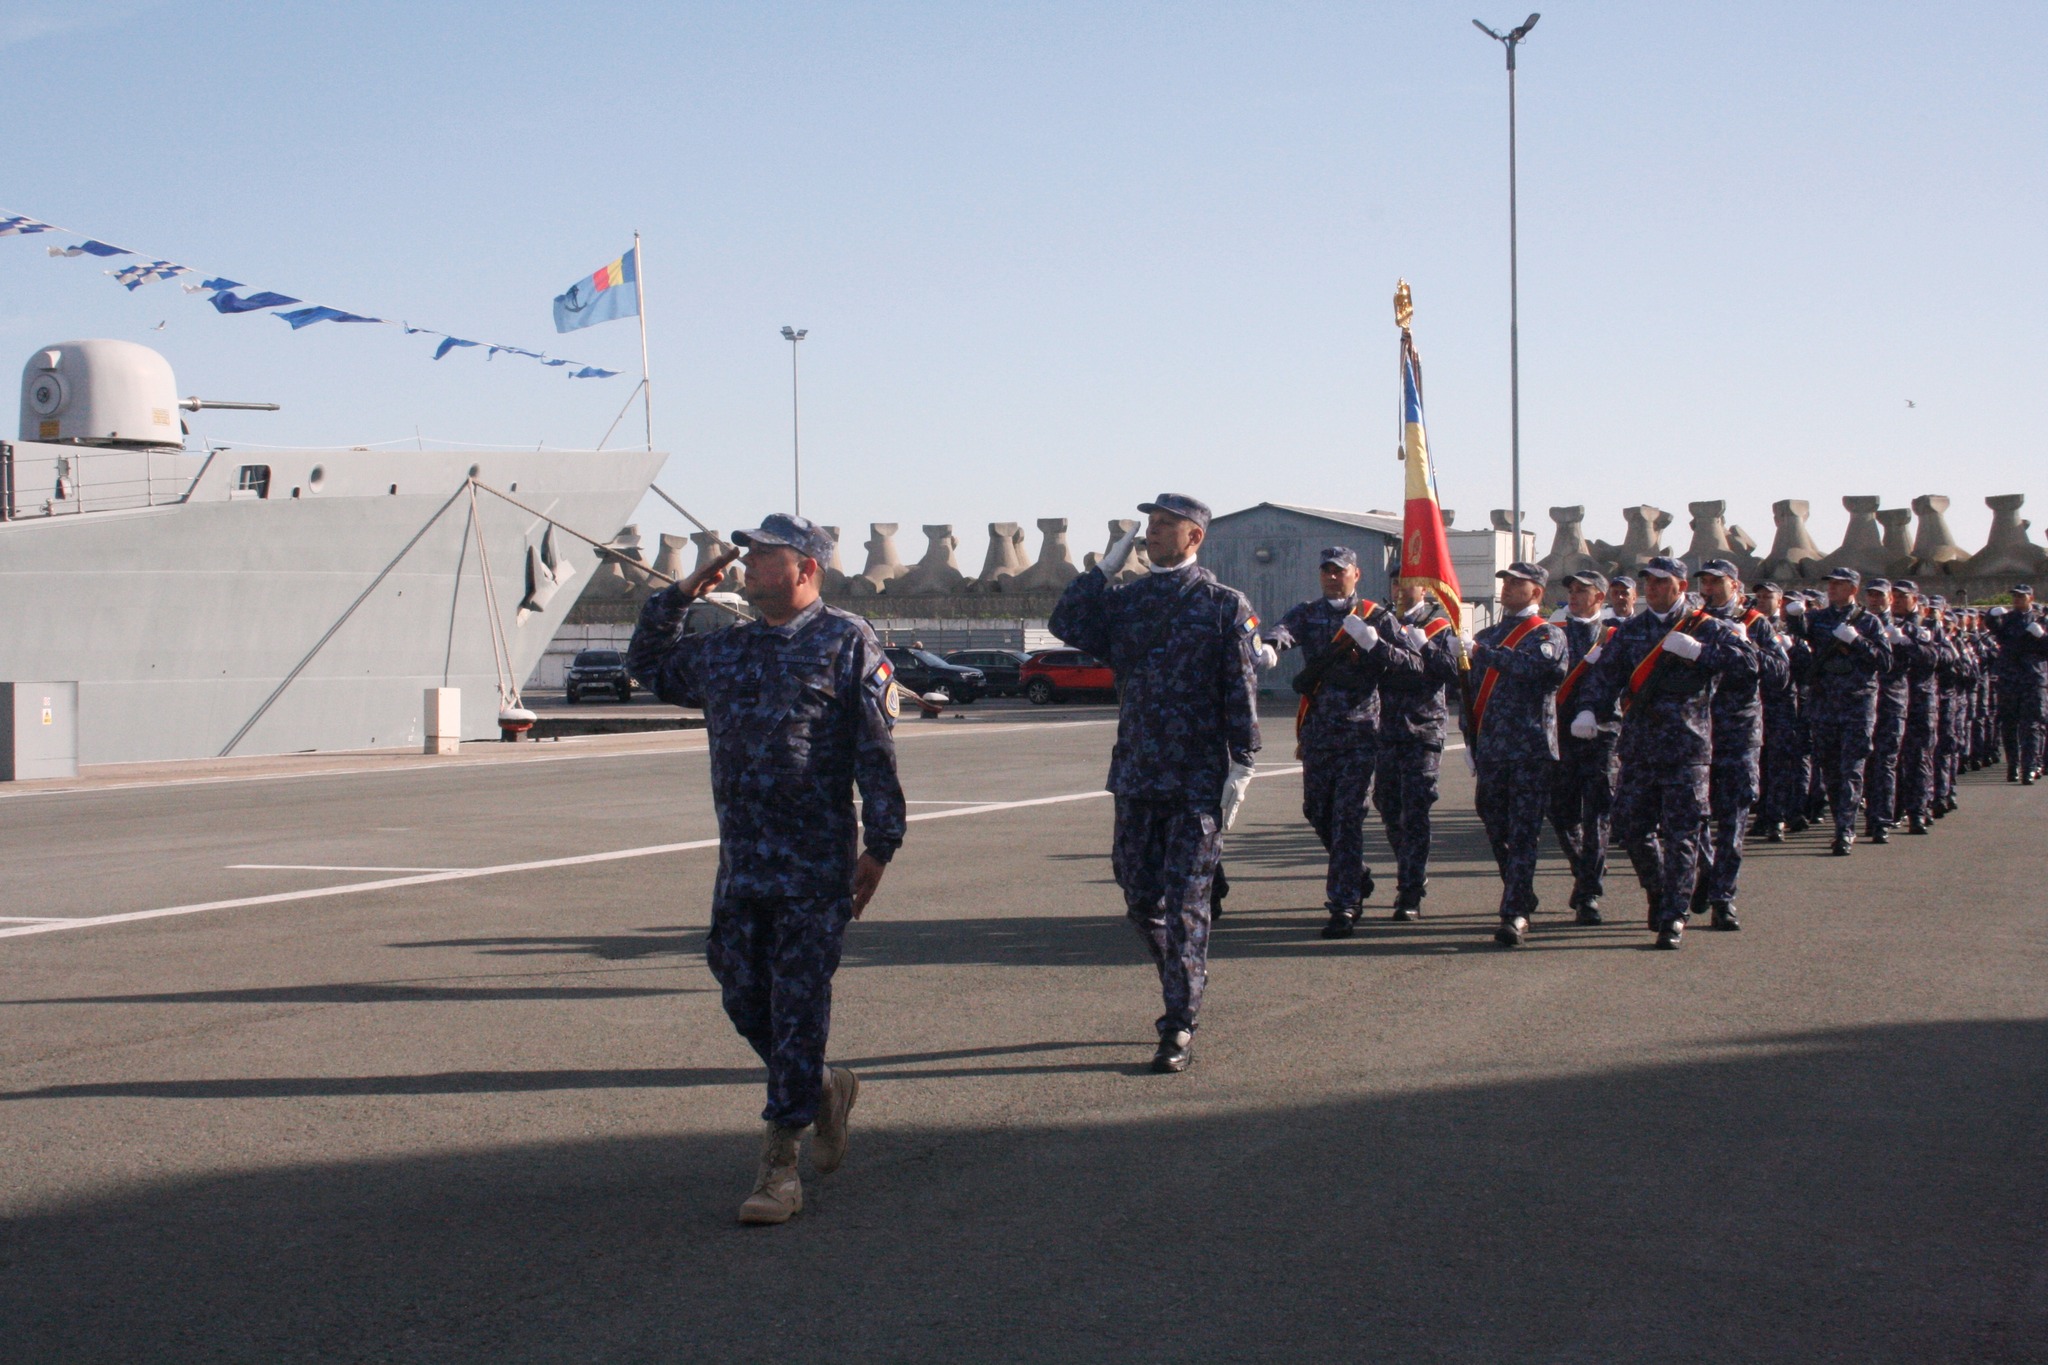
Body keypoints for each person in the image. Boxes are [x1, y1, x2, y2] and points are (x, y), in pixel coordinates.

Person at [626, 513, 906, 1226]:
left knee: (798, 1003)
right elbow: (650, 666)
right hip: (743, 860)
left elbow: (876, 747)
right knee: (741, 991)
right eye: (746, 556)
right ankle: (822, 1087)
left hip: (815, 862)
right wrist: (679, 594)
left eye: (763, 556)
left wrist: (881, 842)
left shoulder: (846, 639)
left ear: (806, 568)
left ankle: (780, 1165)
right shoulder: (730, 647)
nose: (747, 566)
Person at [1049, 493, 1260, 1073]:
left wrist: (1243, 761)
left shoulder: (1223, 605)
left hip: (1196, 778)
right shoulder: (1130, 600)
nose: (1153, 533)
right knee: (1140, 897)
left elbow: (1240, 687)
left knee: (1187, 901)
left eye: (1167, 525)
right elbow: (1066, 623)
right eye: (1150, 525)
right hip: (1138, 773)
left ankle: (1179, 1023)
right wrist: (1101, 571)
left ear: (1195, 537)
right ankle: (1185, 972)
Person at [1574, 556, 1754, 947]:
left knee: (1682, 836)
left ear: (1681, 587)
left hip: (1687, 749)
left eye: (1661, 582)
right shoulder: (1631, 631)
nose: (1652, 588)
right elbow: (1605, 675)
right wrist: (1588, 708)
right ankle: (1657, 890)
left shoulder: (1706, 628)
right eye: (1649, 582)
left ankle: (1674, 916)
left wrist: (1700, 652)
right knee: (1631, 828)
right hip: (1639, 747)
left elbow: (1749, 665)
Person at [1270, 547, 1396, 937]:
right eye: (1326, 570)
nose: (1331, 576)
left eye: (1339, 571)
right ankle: (1355, 872)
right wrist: (1270, 646)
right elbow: (1283, 631)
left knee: (1347, 818)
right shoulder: (1308, 612)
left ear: (1356, 574)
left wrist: (1375, 644)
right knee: (1317, 811)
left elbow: (1407, 662)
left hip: (1360, 732)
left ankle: (1344, 905)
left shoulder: (1376, 616)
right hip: (1319, 732)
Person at [1461, 562, 1568, 947]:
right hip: (1492, 748)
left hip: (1530, 749)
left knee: (1523, 832)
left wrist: (1482, 653)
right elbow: (1469, 692)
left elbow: (1536, 668)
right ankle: (1520, 890)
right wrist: (1470, 739)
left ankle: (1514, 912)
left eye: (1515, 583)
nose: (1506, 588)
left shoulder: (1547, 634)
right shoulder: (1488, 635)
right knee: (1495, 824)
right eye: (1504, 582)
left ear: (1536, 592)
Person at [1691, 560, 1777, 928]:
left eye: (1717, 582)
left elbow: (1780, 673)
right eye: (1705, 582)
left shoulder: (1755, 623)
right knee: (1692, 816)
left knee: (1732, 819)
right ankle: (1708, 870)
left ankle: (1723, 898)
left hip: (1739, 732)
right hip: (1694, 731)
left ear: (1735, 585)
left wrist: (1747, 646)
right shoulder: (1693, 621)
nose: (1709, 588)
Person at [1373, 577, 1464, 921]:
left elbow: (1454, 673)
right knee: (1387, 805)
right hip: (1386, 728)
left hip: (1423, 728)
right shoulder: (1381, 622)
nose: (1399, 590)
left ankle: (1409, 890)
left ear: (1423, 589)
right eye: (1395, 583)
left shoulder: (1439, 626)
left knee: (1415, 810)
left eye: (1407, 584)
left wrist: (1424, 646)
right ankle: (1410, 866)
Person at [1787, 567, 1892, 854]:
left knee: (1851, 769)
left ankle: (1845, 830)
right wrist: (1794, 615)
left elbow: (1884, 661)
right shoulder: (1818, 618)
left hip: (1857, 703)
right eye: (1830, 584)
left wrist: (1856, 641)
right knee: (1830, 770)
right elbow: (1800, 631)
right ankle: (1840, 821)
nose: (1831, 588)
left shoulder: (1868, 622)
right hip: (1824, 703)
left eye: (1838, 584)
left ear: (1853, 590)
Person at [1547, 570, 1621, 924]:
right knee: (1561, 813)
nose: (1574, 596)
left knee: (1597, 815)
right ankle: (1584, 870)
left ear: (1599, 598)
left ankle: (1589, 893)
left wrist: (1602, 713)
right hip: (1561, 733)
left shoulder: (1616, 636)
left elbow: (1624, 684)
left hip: (1601, 735)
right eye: (1571, 590)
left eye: (1582, 591)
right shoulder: (1555, 633)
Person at [1750, 581, 1808, 844]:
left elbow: (1805, 668)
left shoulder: (1790, 628)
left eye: (1768, 596)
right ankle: (1762, 814)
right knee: (1759, 762)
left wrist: (1793, 648)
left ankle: (1777, 817)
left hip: (1781, 702)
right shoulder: (1749, 624)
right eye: (1759, 596)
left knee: (1779, 762)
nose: (1762, 600)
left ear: (1780, 600)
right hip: (1755, 701)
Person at [1887, 580, 1943, 835]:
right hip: (1891, 698)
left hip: (1920, 698)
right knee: (1890, 758)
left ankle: (1918, 811)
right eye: (1894, 596)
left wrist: (1906, 643)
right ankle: (1893, 809)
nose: (1897, 600)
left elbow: (1937, 658)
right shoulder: (1882, 623)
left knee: (1919, 758)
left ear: (1915, 600)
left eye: (1902, 596)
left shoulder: (1928, 626)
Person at [1859, 579, 1909, 844]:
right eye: (1871, 595)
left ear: (1890, 598)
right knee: (1864, 762)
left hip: (1890, 701)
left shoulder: (1903, 627)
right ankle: (1871, 814)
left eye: (1880, 596)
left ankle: (1881, 820)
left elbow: (1925, 660)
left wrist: (1904, 643)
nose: (1875, 600)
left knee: (1886, 762)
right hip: (1859, 702)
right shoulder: (1859, 624)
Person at [1987, 585, 2048, 784]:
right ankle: (2013, 764)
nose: (2017, 599)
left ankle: (2029, 767)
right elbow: (1993, 628)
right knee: (2009, 723)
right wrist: (1991, 614)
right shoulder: (2007, 620)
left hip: (2033, 679)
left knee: (2032, 724)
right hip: (2009, 678)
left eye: (2021, 596)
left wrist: (2042, 636)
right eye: (2015, 596)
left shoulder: (2041, 620)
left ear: (2031, 598)